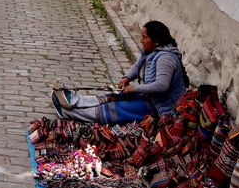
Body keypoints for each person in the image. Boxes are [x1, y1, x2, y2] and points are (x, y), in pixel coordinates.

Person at [52, 20, 187, 124]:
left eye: (144, 37)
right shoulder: (150, 51)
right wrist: (126, 78)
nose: (141, 40)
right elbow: (137, 65)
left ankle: (68, 112)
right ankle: (74, 101)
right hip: (148, 98)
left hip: (160, 109)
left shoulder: (166, 58)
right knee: (112, 96)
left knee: (114, 109)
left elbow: (162, 85)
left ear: (156, 41)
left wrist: (134, 88)